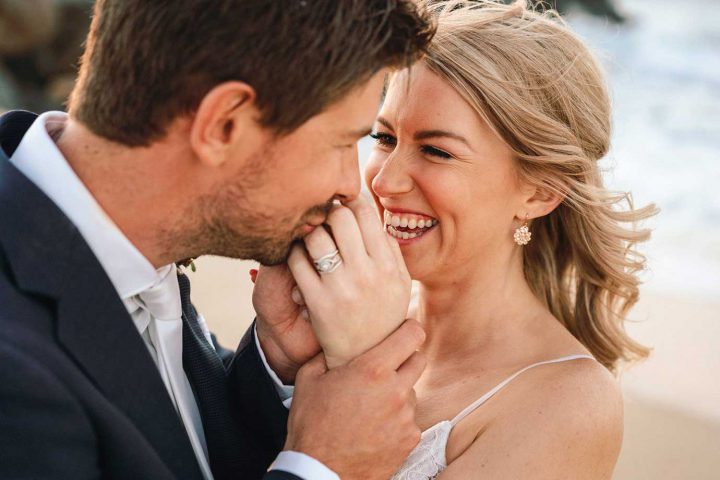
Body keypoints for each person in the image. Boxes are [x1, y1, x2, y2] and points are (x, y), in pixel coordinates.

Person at [0, 1, 435, 480]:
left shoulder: (128, 241)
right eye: (339, 143)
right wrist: (325, 468)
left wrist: (277, 364)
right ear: (223, 124)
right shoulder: (13, 371)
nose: (350, 186)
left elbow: (178, 444)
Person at [255, 1, 657, 479]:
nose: (384, 182)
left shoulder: (568, 401)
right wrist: (284, 359)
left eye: (436, 151)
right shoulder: (343, 325)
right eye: (384, 138)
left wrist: (356, 366)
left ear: (541, 192)